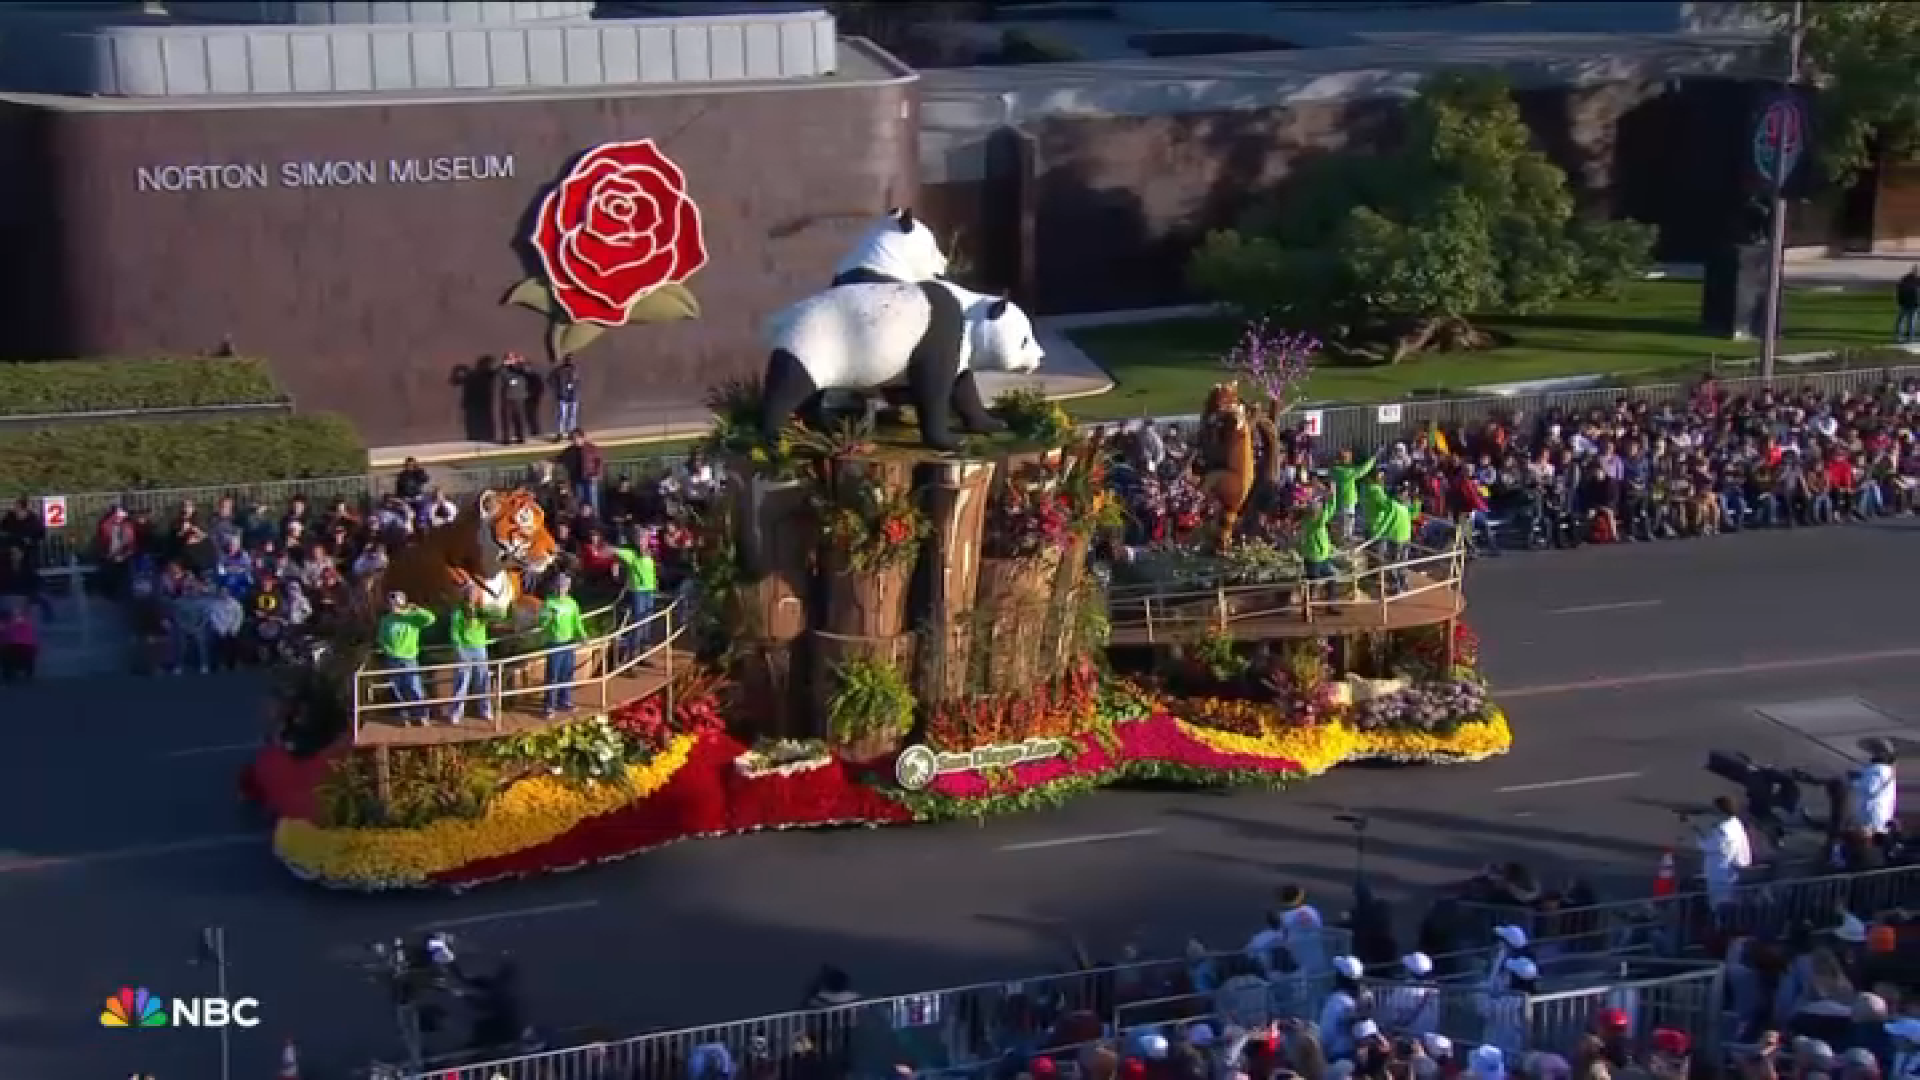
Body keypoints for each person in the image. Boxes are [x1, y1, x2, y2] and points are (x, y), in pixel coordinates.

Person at [376, 590, 435, 724]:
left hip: (409, 658)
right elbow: (381, 638)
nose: (394, 606)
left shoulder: (412, 617)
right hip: (393, 659)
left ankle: (422, 716)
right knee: (398, 689)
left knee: (414, 687)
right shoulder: (386, 620)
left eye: (396, 603)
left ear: (403, 603)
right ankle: (404, 717)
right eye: (391, 604)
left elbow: (431, 619)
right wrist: (388, 649)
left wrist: (416, 609)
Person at [538, 574, 587, 718]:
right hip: (555, 643)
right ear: (555, 587)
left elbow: (577, 622)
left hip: (569, 642)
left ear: (568, 588)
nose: (561, 589)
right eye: (559, 586)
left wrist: (583, 635)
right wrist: (549, 617)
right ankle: (549, 705)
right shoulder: (549, 603)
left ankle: (564, 701)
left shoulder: (572, 603)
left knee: (567, 673)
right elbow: (541, 623)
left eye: (564, 587)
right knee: (553, 675)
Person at [1697, 794, 1754, 914]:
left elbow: (1709, 846)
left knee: (1720, 903)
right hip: (1731, 870)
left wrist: (1697, 833)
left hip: (1721, 873)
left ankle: (1721, 925)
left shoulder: (1724, 830)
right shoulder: (1735, 824)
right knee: (1728, 901)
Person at [447, 586, 494, 726]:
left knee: (483, 680)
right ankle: (456, 713)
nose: (471, 596)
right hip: (465, 649)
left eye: (474, 594)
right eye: (469, 594)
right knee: (462, 681)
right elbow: (454, 632)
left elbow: (499, 615)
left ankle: (485, 710)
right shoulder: (458, 612)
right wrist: (459, 650)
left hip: (480, 648)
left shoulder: (481, 611)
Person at [609, 538, 658, 662]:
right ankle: (630, 658)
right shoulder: (631, 555)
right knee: (638, 624)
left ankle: (643, 655)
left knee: (647, 623)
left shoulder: (650, 556)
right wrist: (615, 567)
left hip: (649, 592)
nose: (642, 545)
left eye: (644, 542)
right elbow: (614, 551)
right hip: (638, 592)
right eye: (639, 542)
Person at [1295, 486, 1336, 610]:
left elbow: (1327, 512)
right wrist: (1332, 498)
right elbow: (1329, 512)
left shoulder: (1311, 521)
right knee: (1312, 584)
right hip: (1313, 558)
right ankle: (1307, 609)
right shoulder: (1315, 523)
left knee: (1330, 580)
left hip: (1322, 556)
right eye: (1318, 510)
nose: (1320, 511)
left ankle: (1329, 605)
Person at [1849, 739, 1898, 837]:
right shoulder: (1887, 770)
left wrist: (1853, 781)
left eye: (1875, 752)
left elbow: (1870, 790)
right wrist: (1861, 776)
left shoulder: (1876, 770)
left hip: (1872, 814)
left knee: (1868, 839)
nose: (1872, 754)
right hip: (1881, 813)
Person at [1327, 449, 1378, 541]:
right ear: (1345, 460)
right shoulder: (1347, 472)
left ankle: (1340, 537)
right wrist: (1373, 459)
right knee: (1348, 520)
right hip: (1347, 499)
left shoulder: (1334, 470)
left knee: (1341, 520)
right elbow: (1363, 470)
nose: (1351, 460)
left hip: (1337, 499)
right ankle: (1345, 538)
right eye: (1349, 458)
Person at [0, 596, 37, 684]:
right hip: (23, 648)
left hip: (18, 648)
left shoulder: (15, 624)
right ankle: (13, 672)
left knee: (7, 654)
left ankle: (11, 673)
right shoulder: (21, 623)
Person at [499, 352, 532, 445]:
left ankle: (520, 437)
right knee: (506, 419)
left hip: (519, 397)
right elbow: (503, 376)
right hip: (508, 397)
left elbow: (528, 371)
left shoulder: (520, 368)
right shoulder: (503, 369)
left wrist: (522, 362)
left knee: (520, 418)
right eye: (509, 358)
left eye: (512, 358)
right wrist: (504, 365)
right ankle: (506, 439)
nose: (511, 360)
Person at [551, 354, 581, 438]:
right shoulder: (559, 370)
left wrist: (576, 389)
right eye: (568, 359)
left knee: (572, 415)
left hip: (573, 396)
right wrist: (558, 390)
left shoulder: (575, 370)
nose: (569, 361)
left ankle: (571, 433)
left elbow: (578, 382)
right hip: (562, 396)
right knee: (562, 415)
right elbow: (551, 380)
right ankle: (560, 433)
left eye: (570, 359)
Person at [1898, 266, 1919, 344]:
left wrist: (1900, 301)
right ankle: (1910, 337)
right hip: (1912, 303)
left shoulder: (1904, 279)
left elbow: (1899, 290)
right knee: (1911, 321)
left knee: (1902, 320)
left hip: (1905, 303)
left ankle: (1900, 336)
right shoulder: (1916, 280)